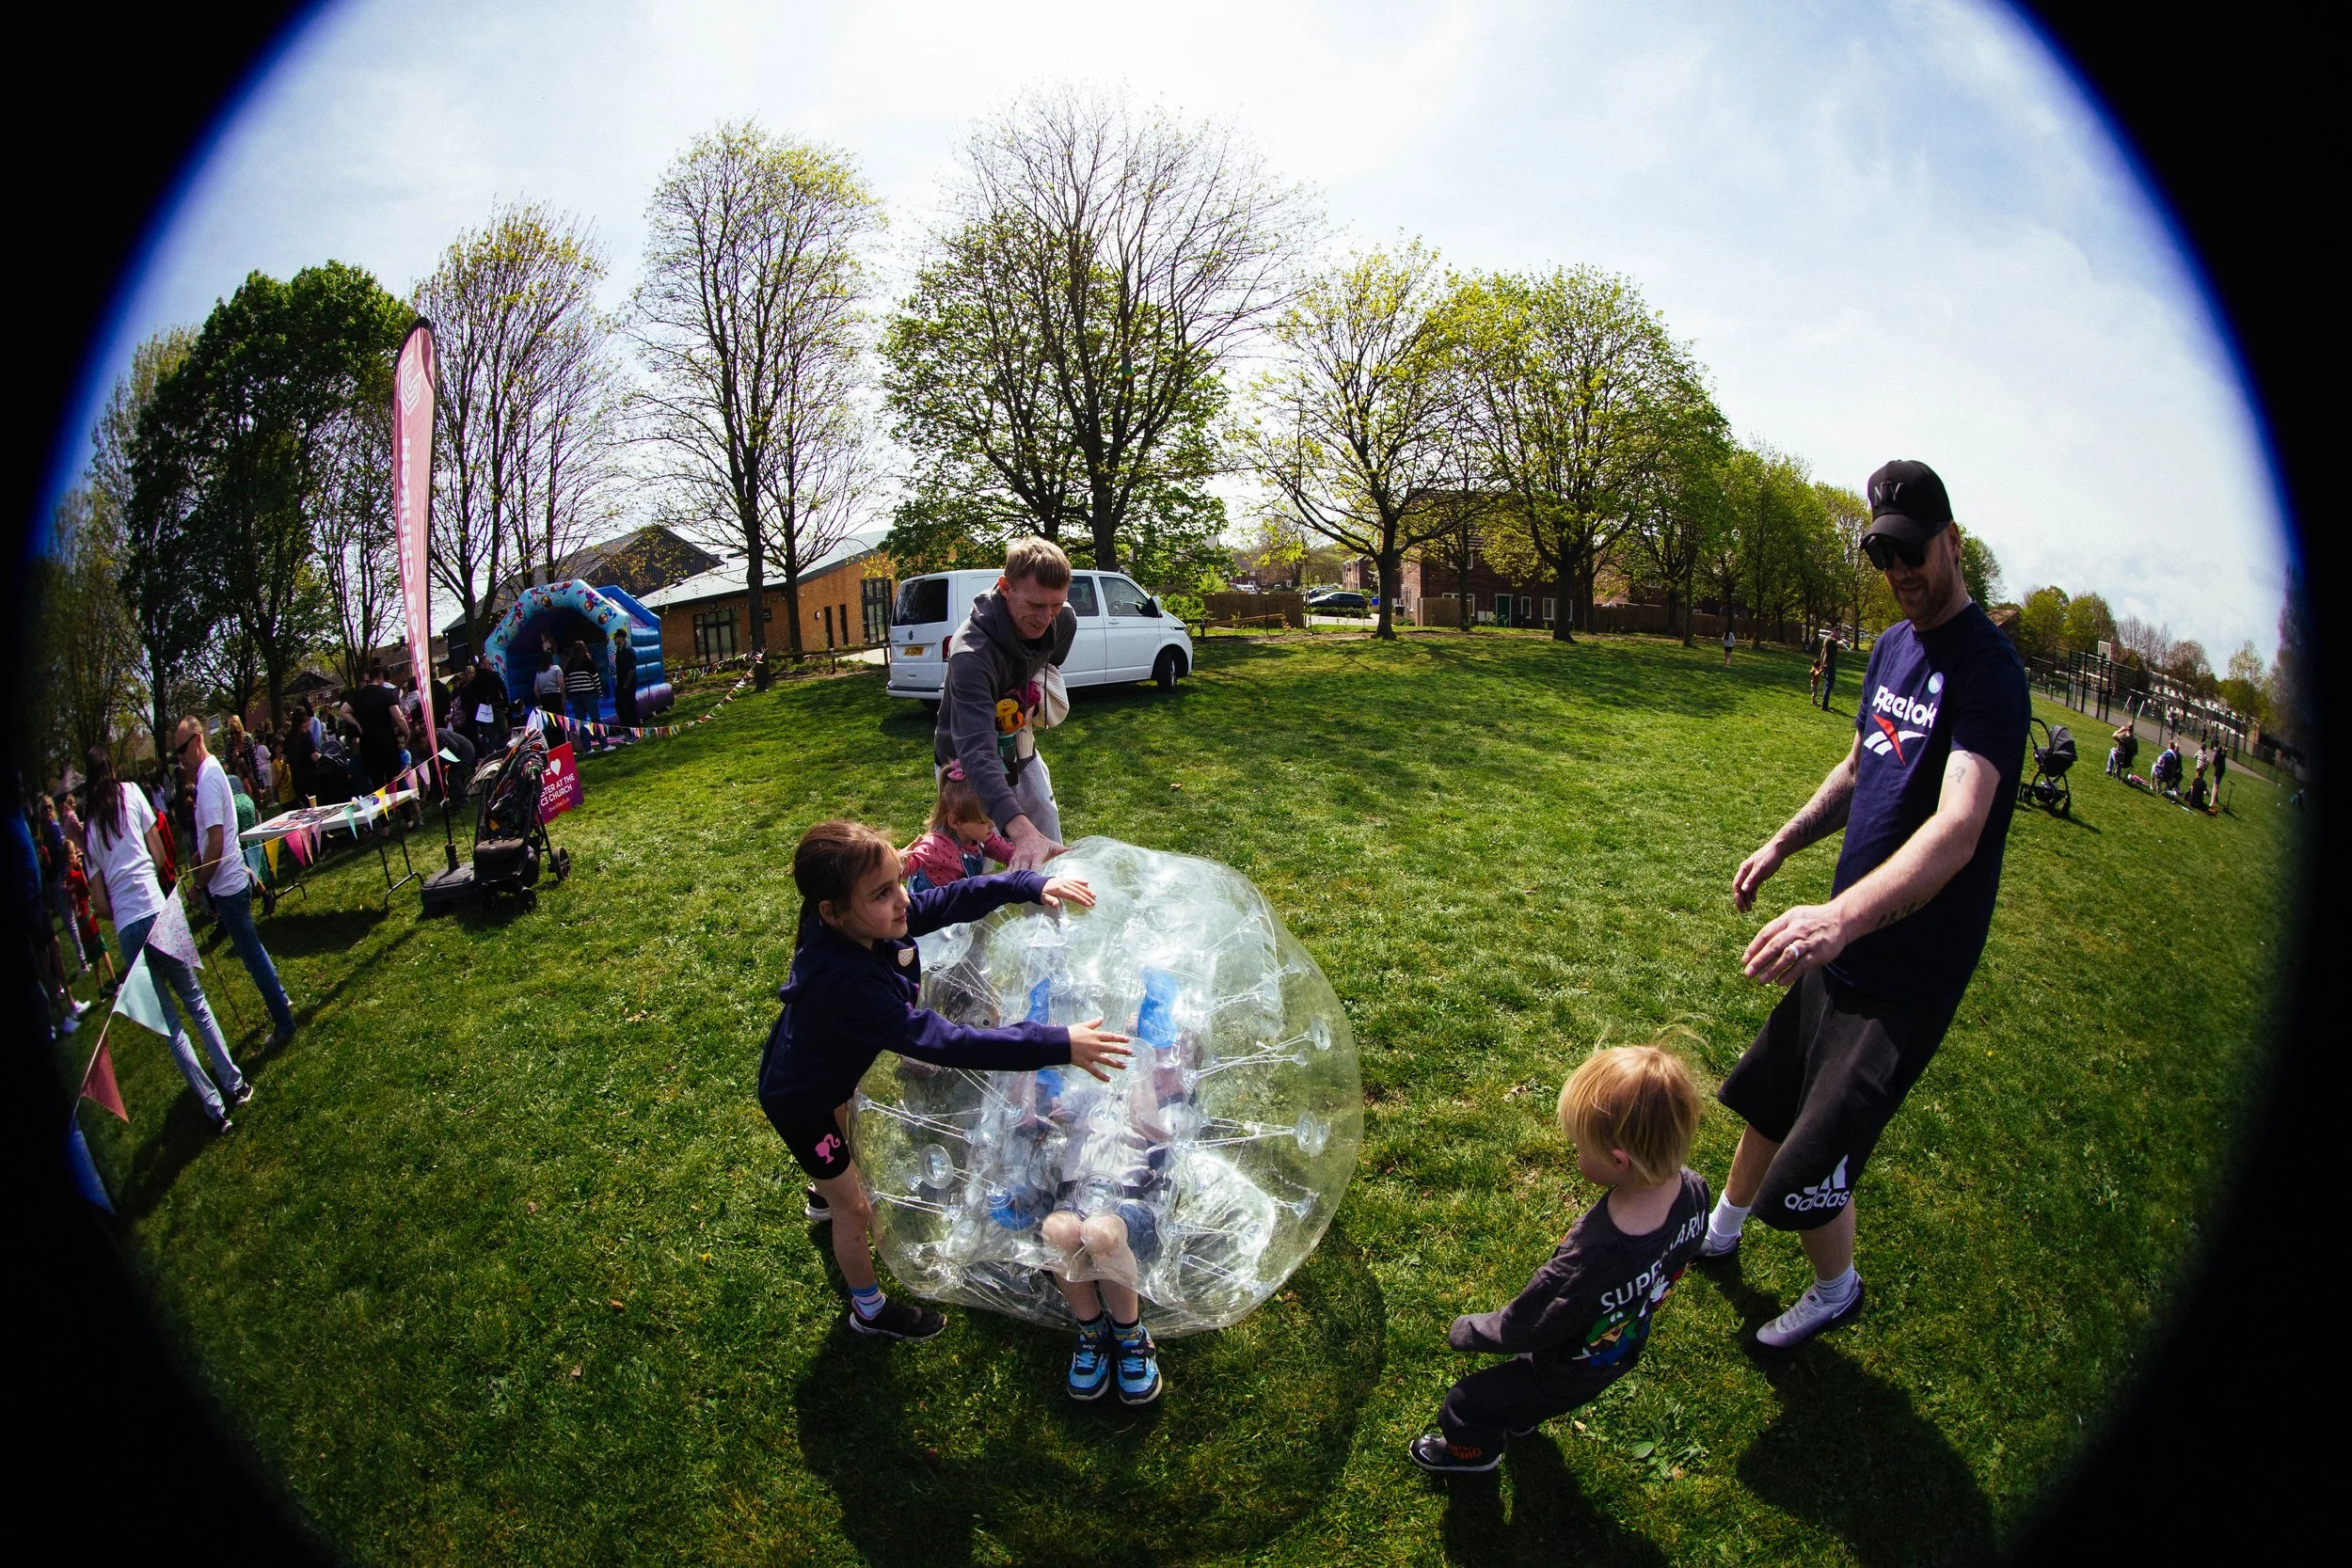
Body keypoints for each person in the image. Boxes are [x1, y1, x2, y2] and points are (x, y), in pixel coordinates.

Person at [1700, 459, 2027, 1349]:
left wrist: (1839, 916)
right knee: (1770, 1095)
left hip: (1908, 971)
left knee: (1808, 1170)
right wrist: (1781, 843)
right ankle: (1718, 1232)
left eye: (1914, 553)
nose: (1901, 574)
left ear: (1952, 542)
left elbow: (1959, 828)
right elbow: (1858, 768)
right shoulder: (1890, 647)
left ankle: (1836, 1287)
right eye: (1885, 558)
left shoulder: (1989, 674)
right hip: (1842, 941)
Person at [756, 819, 1131, 1342]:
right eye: (883, 894)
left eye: (899, 883)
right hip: (801, 1099)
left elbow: (949, 900)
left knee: (840, 1141)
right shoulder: (846, 984)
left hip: (827, 1068)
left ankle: (824, 1188)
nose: (903, 901)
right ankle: (868, 1309)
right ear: (832, 912)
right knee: (855, 1206)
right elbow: (951, 1042)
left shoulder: (866, 926)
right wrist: (1058, 1043)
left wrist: (1024, 883)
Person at [1409, 1042, 1709, 1474]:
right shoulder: (1695, 1192)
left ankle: (1472, 1456)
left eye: (1581, 1148)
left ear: (1619, 1161)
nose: (1576, 1155)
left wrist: (1470, 1331)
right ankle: (1522, 1415)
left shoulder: (1589, 1258)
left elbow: (1527, 1324)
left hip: (1563, 1369)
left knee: (1465, 1403)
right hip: (1618, 1349)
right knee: (1524, 1397)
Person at [81, 744, 248, 1132]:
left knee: (171, 1025)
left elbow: (100, 903)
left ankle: (214, 1108)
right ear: (111, 768)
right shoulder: (133, 794)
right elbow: (159, 858)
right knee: (196, 1003)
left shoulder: (90, 829)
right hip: (158, 910)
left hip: (126, 927)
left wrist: (123, 908)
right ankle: (234, 1085)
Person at [933, 537, 1078, 871]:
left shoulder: (1064, 620)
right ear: (1005, 587)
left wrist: (1028, 697)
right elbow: (976, 755)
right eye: (1036, 605)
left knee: (1047, 847)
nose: (1046, 619)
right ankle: (971, 921)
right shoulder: (971, 654)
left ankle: (1049, 915)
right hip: (965, 763)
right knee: (970, 869)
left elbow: (1047, 660)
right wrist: (1020, 831)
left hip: (1019, 747)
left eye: (1055, 605)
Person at [178, 716, 296, 1050]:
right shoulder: (209, 774)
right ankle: (283, 1001)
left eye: (181, 749)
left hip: (228, 885)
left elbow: (216, 843)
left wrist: (198, 886)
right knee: (252, 949)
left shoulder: (210, 778)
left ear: (198, 739)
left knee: (251, 956)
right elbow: (212, 840)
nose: (179, 757)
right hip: (231, 880)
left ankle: (285, 1025)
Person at [899, 765, 1017, 892]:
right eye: (983, 821)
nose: (992, 824)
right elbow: (913, 862)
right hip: (934, 908)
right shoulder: (936, 844)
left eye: (992, 817)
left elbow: (1005, 852)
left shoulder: (980, 835)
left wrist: (1019, 858)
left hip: (958, 902)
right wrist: (901, 864)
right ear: (955, 822)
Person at [343, 660, 409, 792]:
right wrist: (407, 732)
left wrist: (357, 724)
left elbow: (343, 711)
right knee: (394, 778)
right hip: (386, 741)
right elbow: (399, 717)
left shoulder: (359, 695)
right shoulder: (386, 693)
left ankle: (383, 811)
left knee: (377, 783)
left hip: (368, 744)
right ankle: (402, 809)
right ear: (380, 676)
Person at [564, 640, 605, 753]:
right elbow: (595, 678)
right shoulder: (588, 660)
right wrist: (599, 692)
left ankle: (587, 748)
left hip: (576, 696)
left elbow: (566, 681)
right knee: (596, 719)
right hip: (588, 693)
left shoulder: (570, 663)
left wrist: (570, 693)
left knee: (581, 722)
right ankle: (604, 744)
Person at [463, 657, 510, 753]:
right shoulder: (494, 675)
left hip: (484, 712)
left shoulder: (475, 681)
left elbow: (471, 698)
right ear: (484, 664)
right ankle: (505, 753)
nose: (490, 666)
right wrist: (506, 705)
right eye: (489, 664)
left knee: (490, 738)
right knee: (504, 734)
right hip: (497, 708)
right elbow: (503, 690)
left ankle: (494, 756)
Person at [612, 626, 640, 738]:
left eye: (616, 637)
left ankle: (636, 732)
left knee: (630, 708)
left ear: (621, 638)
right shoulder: (619, 650)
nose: (614, 640)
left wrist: (625, 685)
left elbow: (631, 669)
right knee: (620, 707)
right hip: (621, 684)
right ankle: (628, 731)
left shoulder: (628, 650)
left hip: (628, 685)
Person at [1820, 633, 1842, 710]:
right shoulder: (1832, 640)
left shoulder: (1826, 639)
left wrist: (1822, 664)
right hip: (1830, 666)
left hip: (1825, 665)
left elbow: (1822, 652)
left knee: (1827, 684)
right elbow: (1841, 645)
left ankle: (1824, 704)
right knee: (1829, 685)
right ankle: (1824, 705)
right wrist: (1840, 639)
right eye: (1839, 632)